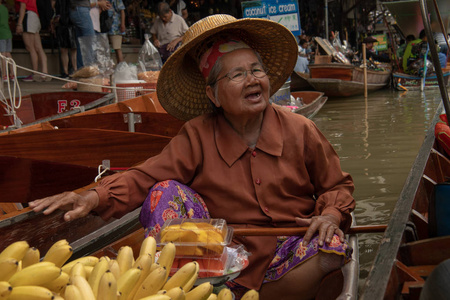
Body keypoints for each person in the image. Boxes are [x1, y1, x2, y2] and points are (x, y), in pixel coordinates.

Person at [29, 14, 355, 300]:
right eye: (237, 75)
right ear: (213, 94)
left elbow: (337, 187)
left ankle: (261, 295)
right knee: (164, 192)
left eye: (257, 70)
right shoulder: (197, 134)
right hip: (222, 258)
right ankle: (212, 290)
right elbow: (146, 177)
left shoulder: (301, 129)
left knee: (332, 247)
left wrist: (329, 215)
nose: (253, 79)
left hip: (291, 250)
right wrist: (93, 197)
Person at [15, 0, 50, 82]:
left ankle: (35, 73)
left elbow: (23, 7)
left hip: (28, 16)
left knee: (30, 47)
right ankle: (44, 72)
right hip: (34, 16)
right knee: (38, 47)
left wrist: (19, 23)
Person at [53, 0, 78, 78]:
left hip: (68, 23)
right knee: (67, 49)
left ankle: (72, 70)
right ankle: (68, 71)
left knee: (71, 49)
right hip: (65, 24)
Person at [0, 0, 14, 81]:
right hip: (8, 33)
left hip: (1, 34)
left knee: (2, 54)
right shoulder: (5, 8)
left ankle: (4, 74)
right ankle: (12, 74)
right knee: (8, 54)